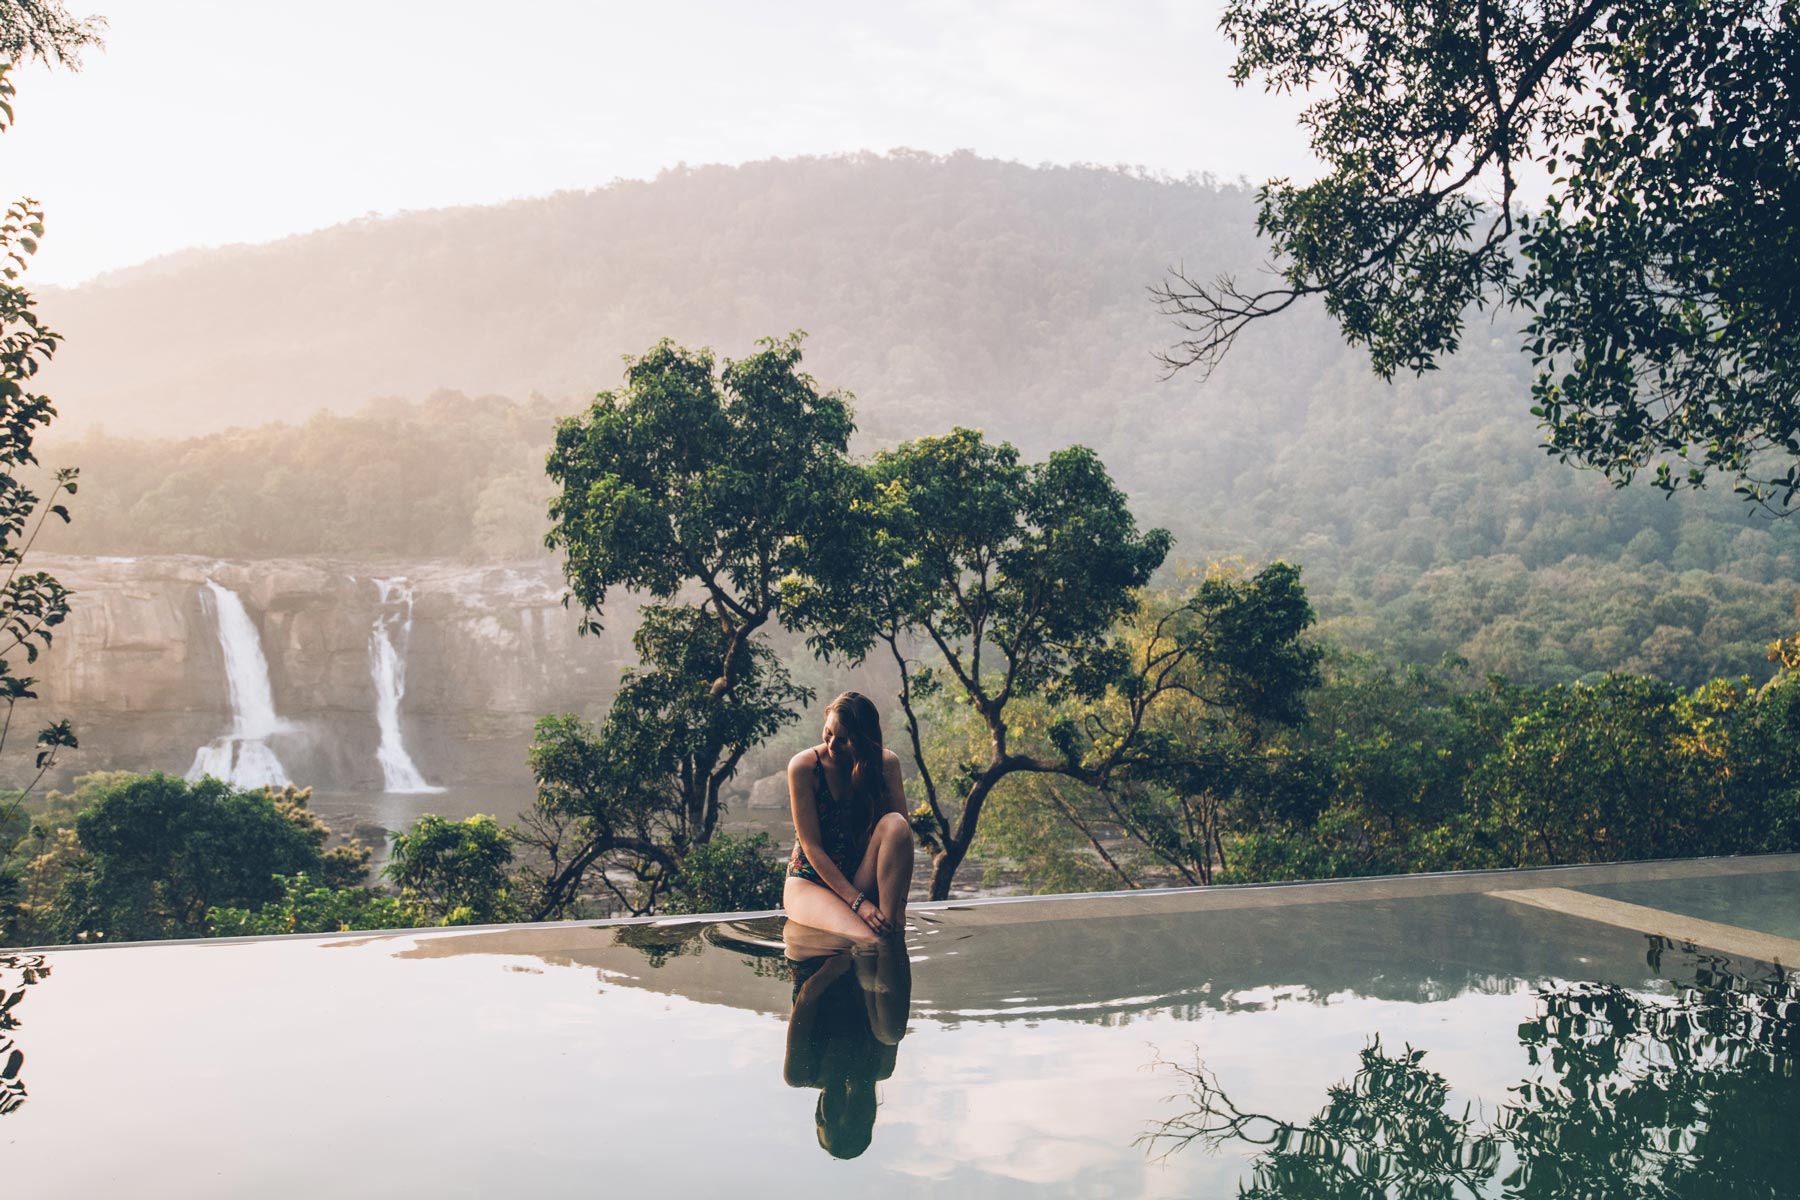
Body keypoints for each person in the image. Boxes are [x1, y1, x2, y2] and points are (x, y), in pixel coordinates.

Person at [782, 691, 914, 943]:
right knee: (871, 942)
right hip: (811, 883)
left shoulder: (885, 764)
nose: (832, 745)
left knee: (896, 824)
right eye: (828, 733)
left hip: (859, 877)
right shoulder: (804, 767)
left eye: (843, 740)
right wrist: (859, 903)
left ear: (864, 741)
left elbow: (903, 843)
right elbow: (811, 847)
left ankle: (889, 922)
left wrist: (900, 907)